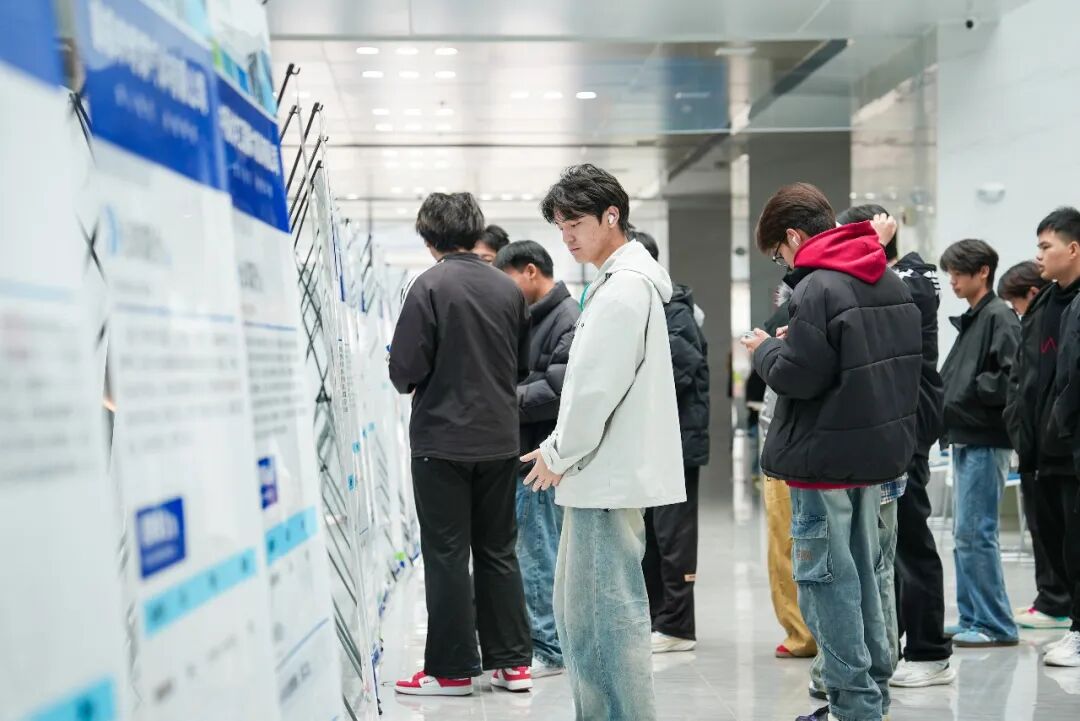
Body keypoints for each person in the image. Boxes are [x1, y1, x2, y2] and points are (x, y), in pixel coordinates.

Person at [741, 182, 921, 721]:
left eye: (780, 253)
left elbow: (799, 377)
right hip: (877, 455)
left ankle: (852, 705)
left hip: (823, 461)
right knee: (868, 577)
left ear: (795, 236)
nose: (784, 264)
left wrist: (766, 349)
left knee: (827, 585)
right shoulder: (887, 279)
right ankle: (873, 695)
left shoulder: (817, 287)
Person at [521, 164, 685, 721]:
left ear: (611, 216)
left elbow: (595, 390)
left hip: (604, 478)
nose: (567, 236)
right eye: (560, 226)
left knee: (603, 620)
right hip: (601, 475)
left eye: (576, 223)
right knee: (588, 617)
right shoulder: (617, 284)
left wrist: (557, 453)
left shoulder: (623, 290)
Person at [389, 192, 534, 696]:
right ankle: (513, 664)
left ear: (429, 239)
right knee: (498, 550)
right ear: (475, 232)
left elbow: (405, 371)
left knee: (447, 553)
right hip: (499, 439)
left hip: (442, 442)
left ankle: (451, 671)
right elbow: (520, 367)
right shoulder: (508, 289)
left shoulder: (428, 287)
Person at [837, 205, 956, 688]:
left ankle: (929, 650)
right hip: (891, 419)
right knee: (887, 543)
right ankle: (898, 642)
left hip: (910, 420)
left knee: (910, 538)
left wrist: (873, 247)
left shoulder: (910, 277)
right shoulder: (892, 276)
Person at [493, 240, 579, 678]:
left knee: (539, 555)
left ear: (530, 271)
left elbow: (559, 391)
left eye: (506, 279)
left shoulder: (566, 318)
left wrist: (502, 398)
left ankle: (549, 649)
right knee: (533, 552)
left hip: (540, 459)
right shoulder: (532, 317)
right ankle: (540, 643)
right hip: (525, 452)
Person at [939, 238, 1021, 648]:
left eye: (958, 272)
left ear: (983, 271)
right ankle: (973, 615)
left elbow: (1012, 378)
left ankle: (996, 624)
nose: (952, 280)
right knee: (965, 534)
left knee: (977, 533)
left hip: (985, 438)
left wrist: (970, 390)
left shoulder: (999, 316)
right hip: (966, 436)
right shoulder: (976, 317)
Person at [632, 230, 711, 654]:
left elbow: (674, 373)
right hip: (652, 443)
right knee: (651, 535)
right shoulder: (649, 306)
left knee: (674, 535)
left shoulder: (675, 310)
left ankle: (678, 625)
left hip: (677, 444)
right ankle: (659, 617)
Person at [1018, 207, 1080, 666]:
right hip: (1043, 449)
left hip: (1071, 444)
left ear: (1073, 249)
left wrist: (1062, 421)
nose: (1038, 255)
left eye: (1046, 246)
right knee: (1061, 546)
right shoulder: (1045, 302)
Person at [999, 261, 1070, 632]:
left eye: (1016, 303)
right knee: (1044, 528)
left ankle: (1058, 602)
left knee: (1056, 532)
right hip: (1032, 442)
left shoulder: (1057, 314)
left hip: (1052, 445)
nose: (1015, 312)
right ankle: (1051, 599)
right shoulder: (1036, 318)